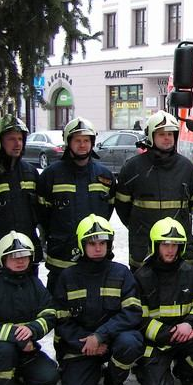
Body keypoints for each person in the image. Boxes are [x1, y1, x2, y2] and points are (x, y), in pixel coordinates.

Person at [52, 214, 143, 385]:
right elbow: (62, 321)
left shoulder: (121, 273)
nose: (98, 248)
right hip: (81, 346)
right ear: (82, 244)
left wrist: (100, 336)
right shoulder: (67, 277)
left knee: (131, 342)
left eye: (103, 242)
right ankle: (89, 372)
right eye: (92, 243)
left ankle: (114, 380)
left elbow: (132, 312)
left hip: (111, 341)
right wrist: (87, 343)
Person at [134, 217, 193, 385]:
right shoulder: (142, 276)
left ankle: (185, 372)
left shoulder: (190, 273)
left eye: (175, 244)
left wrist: (189, 324)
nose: (171, 250)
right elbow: (139, 319)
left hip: (185, 336)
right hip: (156, 342)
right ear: (155, 245)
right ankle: (149, 370)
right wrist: (171, 333)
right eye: (165, 244)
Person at [37, 117, 115, 292]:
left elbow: (109, 210)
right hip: (61, 257)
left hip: (95, 256)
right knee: (58, 307)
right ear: (68, 142)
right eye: (77, 140)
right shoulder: (51, 175)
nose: (82, 145)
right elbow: (42, 213)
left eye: (86, 140)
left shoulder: (105, 176)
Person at [115, 110, 193, 270]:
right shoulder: (133, 168)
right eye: (161, 134)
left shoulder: (187, 168)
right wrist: (139, 227)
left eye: (170, 134)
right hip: (143, 247)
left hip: (178, 247)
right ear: (151, 136)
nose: (167, 138)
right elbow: (123, 208)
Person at [0, 231, 59, 385]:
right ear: (3, 259)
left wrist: (33, 330)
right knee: (5, 351)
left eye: (24, 256)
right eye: (14, 257)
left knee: (49, 376)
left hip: (27, 350)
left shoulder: (34, 283)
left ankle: (14, 383)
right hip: (2, 349)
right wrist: (18, 336)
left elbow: (49, 313)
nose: (20, 261)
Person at [0, 115, 42, 269]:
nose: (17, 143)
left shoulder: (30, 172)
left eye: (20, 139)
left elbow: (42, 213)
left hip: (27, 252)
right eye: (11, 139)